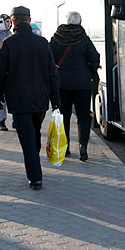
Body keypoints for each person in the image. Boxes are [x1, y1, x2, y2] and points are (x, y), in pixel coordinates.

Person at [0, 6, 60, 190]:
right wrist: (56, 101)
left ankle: (35, 177)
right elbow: (52, 73)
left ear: (13, 22)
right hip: (40, 100)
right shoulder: (42, 43)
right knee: (34, 134)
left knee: (28, 139)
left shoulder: (7, 44)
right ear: (29, 20)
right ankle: (35, 167)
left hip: (18, 100)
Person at [50, 11, 100, 161]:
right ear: (79, 23)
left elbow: (48, 58)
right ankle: (82, 147)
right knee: (83, 117)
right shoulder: (84, 39)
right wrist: (90, 70)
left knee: (63, 115)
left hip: (62, 84)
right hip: (82, 84)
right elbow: (95, 58)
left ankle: (64, 149)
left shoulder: (55, 38)